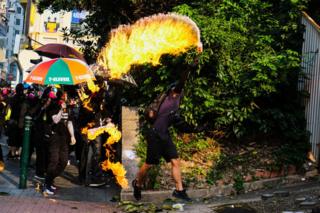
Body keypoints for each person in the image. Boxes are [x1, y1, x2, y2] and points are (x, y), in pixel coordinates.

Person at [132, 80, 192, 202]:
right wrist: (189, 69)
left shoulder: (176, 104)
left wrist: (196, 129)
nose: (179, 92)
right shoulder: (169, 99)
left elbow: (179, 125)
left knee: (175, 161)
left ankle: (179, 191)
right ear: (171, 91)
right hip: (154, 135)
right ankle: (137, 184)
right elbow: (181, 82)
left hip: (165, 135)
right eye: (177, 90)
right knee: (149, 163)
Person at [44, 90, 76, 195]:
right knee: (54, 161)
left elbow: (69, 122)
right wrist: (61, 110)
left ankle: (50, 178)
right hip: (54, 137)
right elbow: (56, 120)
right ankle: (46, 185)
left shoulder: (67, 107)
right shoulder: (53, 106)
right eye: (64, 96)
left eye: (66, 96)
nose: (65, 98)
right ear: (59, 97)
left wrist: (72, 135)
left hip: (64, 138)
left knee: (63, 162)